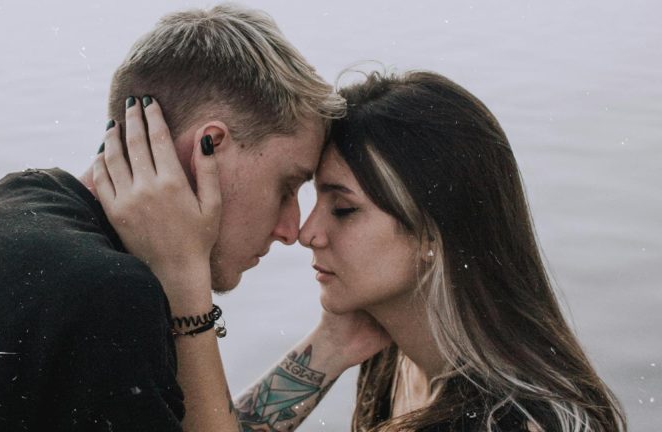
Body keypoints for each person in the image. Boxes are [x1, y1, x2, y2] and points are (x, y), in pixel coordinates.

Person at [0, 5, 344, 431]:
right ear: (211, 148)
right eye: (287, 187)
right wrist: (186, 285)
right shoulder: (107, 294)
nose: (292, 230)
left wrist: (334, 344)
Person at [96, 71, 628, 431]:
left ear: (433, 235)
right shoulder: (398, 361)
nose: (307, 232)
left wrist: (184, 285)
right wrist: (329, 348)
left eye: (344, 209)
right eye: (313, 197)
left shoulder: (510, 423)